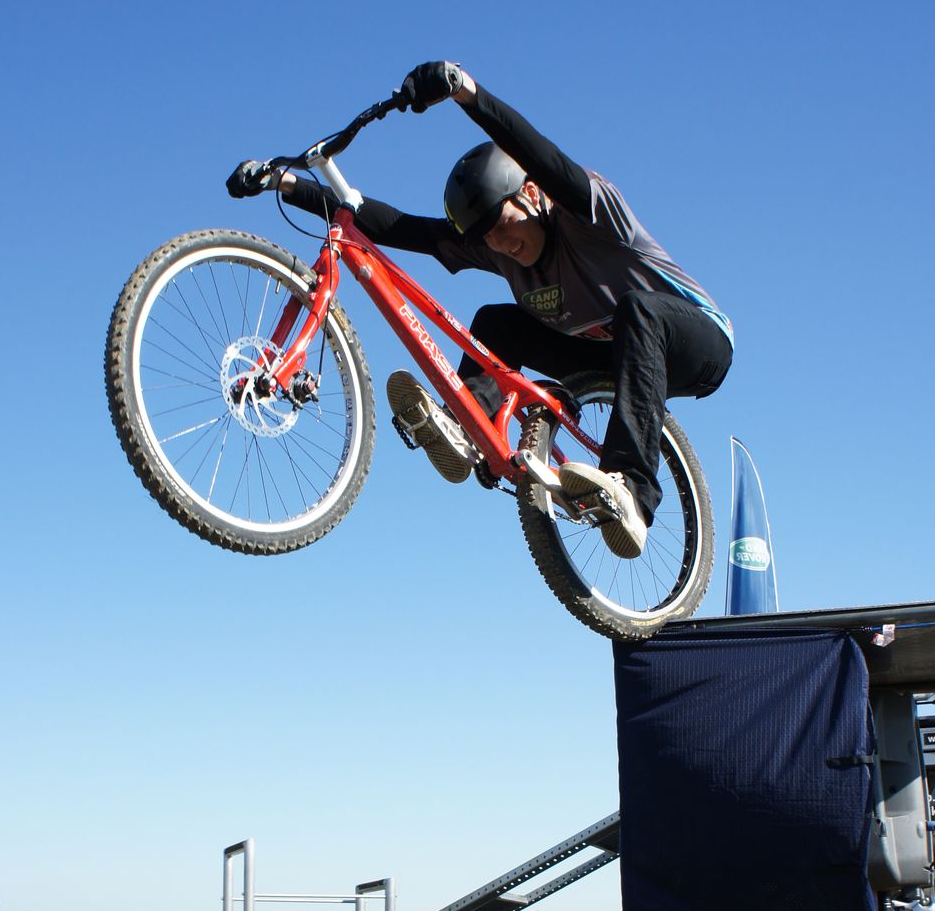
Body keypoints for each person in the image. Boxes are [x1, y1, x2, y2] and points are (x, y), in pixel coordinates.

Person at [228, 62, 733, 561]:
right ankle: (467, 427)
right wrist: (288, 187)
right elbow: (406, 229)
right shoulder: (494, 247)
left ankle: (633, 493)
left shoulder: (589, 216)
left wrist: (466, 93)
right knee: (494, 322)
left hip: (693, 343)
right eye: (485, 236)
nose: (500, 242)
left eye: (502, 223)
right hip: (610, 355)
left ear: (532, 195)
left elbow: (540, 152)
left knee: (637, 311)